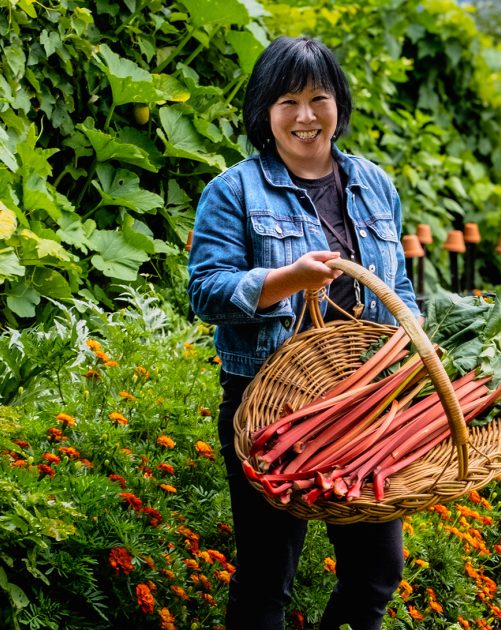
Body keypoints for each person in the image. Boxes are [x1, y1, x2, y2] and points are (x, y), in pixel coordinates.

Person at [186, 36, 419, 630]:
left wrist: (418, 346)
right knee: (268, 577)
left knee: (376, 572)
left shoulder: (373, 183)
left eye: (319, 98)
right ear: (264, 110)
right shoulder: (234, 191)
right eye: (288, 101)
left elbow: (400, 288)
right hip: (271, 405)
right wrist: (287, 279)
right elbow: (206, 292)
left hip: (362, 403)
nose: (306, 116)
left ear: (339, 104)